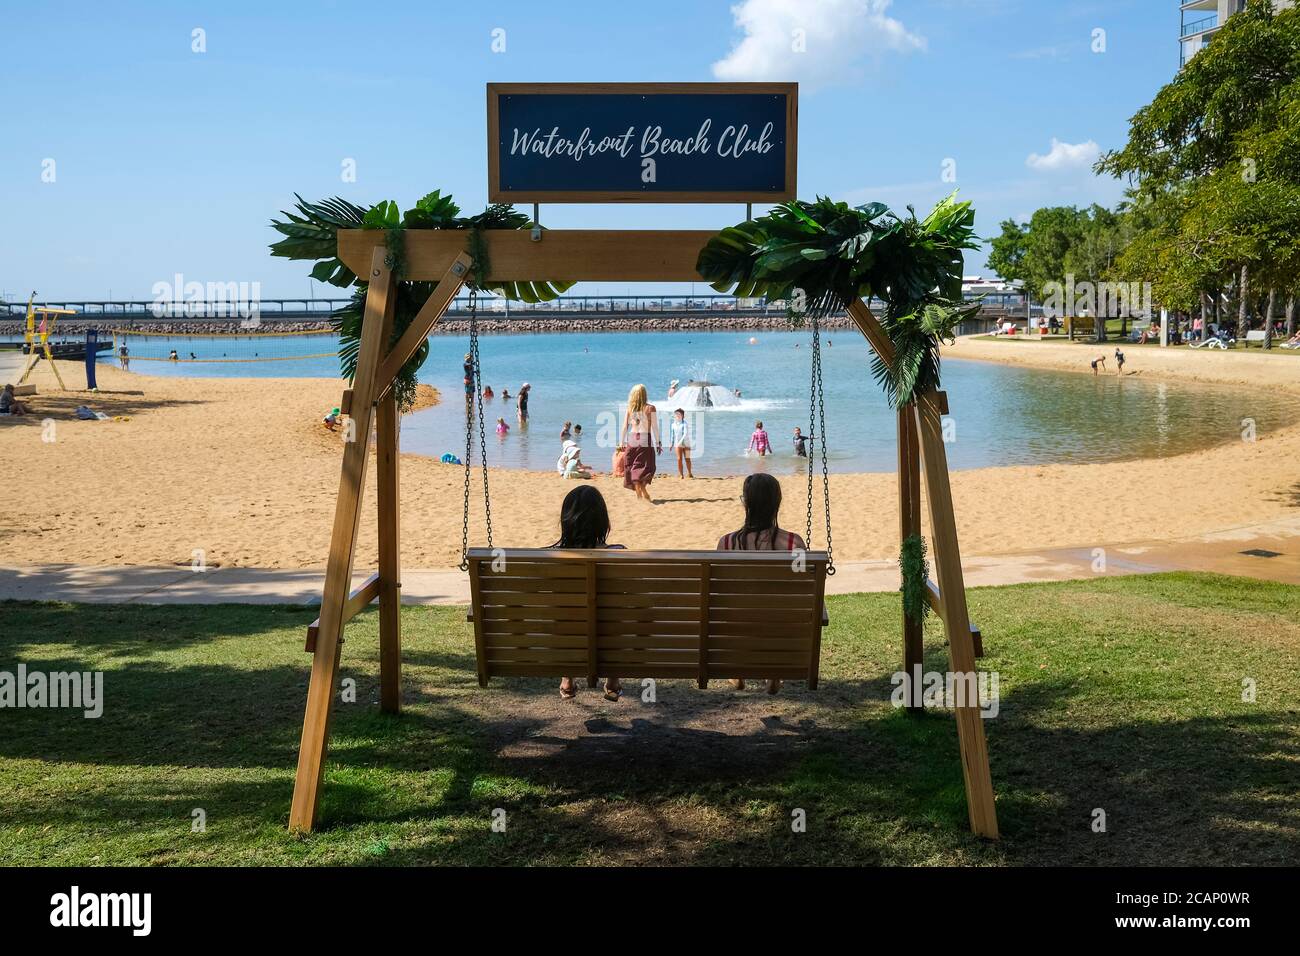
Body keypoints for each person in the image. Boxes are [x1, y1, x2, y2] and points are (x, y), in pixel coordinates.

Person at [716, 473, 807, 694]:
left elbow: (720, 589)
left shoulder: (727, 543)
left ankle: (737, 670)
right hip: (780, 627)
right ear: (777, 504)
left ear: (746, 503)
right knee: (778, 611)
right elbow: (801, 589)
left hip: (737, 626)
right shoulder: (794, 543)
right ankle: (774, 673)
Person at [551, 486, 624, 702]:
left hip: (566, 637)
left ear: (566, 521)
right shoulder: (620, 554)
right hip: (608, 637)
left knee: (566, 617)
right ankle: (613, 679)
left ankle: (567, 678)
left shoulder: (549, 558)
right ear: (604, 522)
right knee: (615, 617)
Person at [620, 383, 660, 502]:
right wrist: (658, 442)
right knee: (648, 465)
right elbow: (655, 427)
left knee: (633, 465)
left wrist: (621, 441)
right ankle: (642, 487)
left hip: (632, 438)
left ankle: (639, 492)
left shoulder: (630, 409)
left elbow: (624, 426)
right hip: (644, 438)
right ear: (644, 395)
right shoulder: (650, 408)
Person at [668, 408, 693, 478]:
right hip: (677, 443)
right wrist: (671, 444)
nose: (677, 415)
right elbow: (672, 435)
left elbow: (685, 434)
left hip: (686, 443)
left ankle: (690, 473)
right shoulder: (673, 424)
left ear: (683, 416)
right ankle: (681, 474)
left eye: (679, 414)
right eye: (676, 414)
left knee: (687, 459)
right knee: (679, 459)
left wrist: (680, 442)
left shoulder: (685, 423)